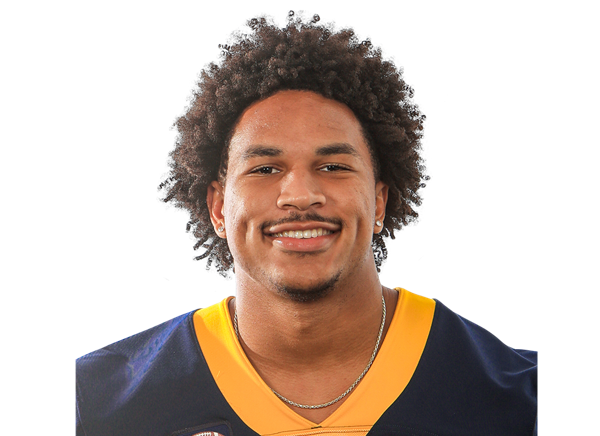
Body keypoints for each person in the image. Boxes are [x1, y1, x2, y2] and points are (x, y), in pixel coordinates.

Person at [75, 11, 538, 436]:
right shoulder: (96, 404)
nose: (299, 195)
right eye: (264, 168)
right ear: (217, 208)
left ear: (380, 201)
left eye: (333, 166)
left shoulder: (518, 398)